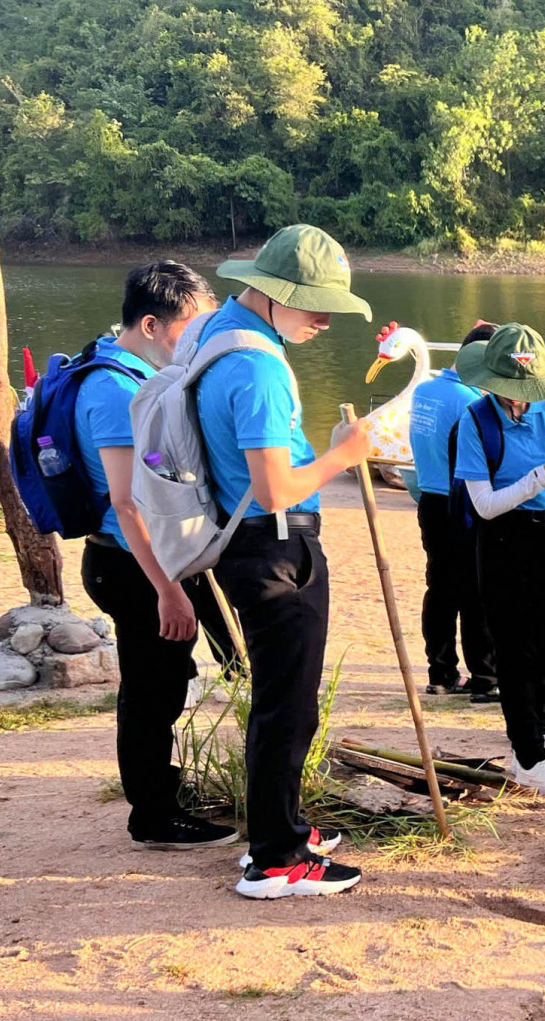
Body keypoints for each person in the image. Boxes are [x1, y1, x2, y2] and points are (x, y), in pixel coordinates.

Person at [199, 224, 375, 899]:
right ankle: (275, 860)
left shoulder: (215, 335)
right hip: (274, 547)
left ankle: (283, 829)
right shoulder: (260, 369)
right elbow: (272, 488)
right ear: (274, 294)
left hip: (242, 543)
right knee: (288, 706)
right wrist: (341, 455)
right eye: (316, 306)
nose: (326, 321)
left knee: (282, 701)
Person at [74, 261, 241, 851]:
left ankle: (160, 792)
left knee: (160, 680)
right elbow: (127, 503)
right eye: (188, 329)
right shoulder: (118, 390)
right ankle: (153, 814)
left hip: (133, 559)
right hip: (132, 563)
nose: (193, 342)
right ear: (151, 324)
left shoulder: (117, 366)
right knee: (152, 688)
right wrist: (168, 588)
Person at [452, 323, 545, 797]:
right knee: (516, 653)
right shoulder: (474, 422)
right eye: (512, 390)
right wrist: (543, 472)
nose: (521, 399)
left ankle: (538, 733)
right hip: (502, 541)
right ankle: (528, 756)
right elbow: (485, 505)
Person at [407, 320, 500, 699]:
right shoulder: (469, 402)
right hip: (460, 504)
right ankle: (485, 678)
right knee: (475, 593)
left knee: (441, 589)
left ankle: (441, 672)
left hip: (428, 500)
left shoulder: (424, 392)